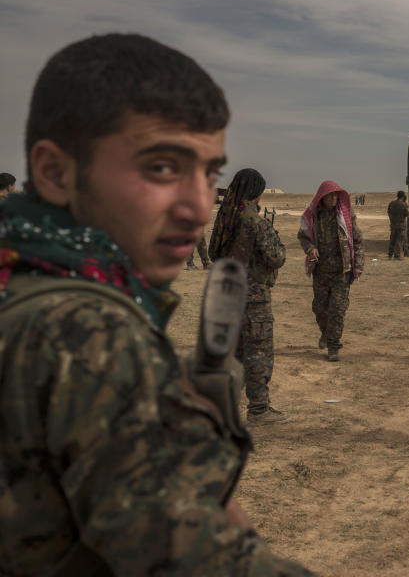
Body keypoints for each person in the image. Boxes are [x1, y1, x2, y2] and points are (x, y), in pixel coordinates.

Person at [0, 33, 311, 575]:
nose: (195, 207)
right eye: (163, 168)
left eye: (208, 174)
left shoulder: (23, 280)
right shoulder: (86, 333)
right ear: (55, 172)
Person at [209, 168, 287, 425]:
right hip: (253, 298)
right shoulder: (254, 221)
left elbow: (213, 252)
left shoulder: (226, 218)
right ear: (257, 193)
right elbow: (277, 257)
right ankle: (259, 410)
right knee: (258, 353)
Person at [298, 180, 364, 362]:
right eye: (330, 195)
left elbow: (357, 242)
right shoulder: (313, 216)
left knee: (337, 310)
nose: (334, 198)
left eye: (336, 195)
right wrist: (310, 248)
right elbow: (302, 236)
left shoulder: (345, 216)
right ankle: (325, 334)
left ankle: (333, 346)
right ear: (322, 197)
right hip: (320, 272)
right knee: (320, 309)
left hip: (342, 272)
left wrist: (358, 265)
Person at [387, 190, 409, 259]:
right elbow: (407, 214)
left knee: (392, 239)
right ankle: (397, 255)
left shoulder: (392, 203)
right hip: (401, 225)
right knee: (399, 240)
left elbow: (388, 212)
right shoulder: (404, 204)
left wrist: (392, 219)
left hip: (393, 224)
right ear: (403, 196)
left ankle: (390, 255)